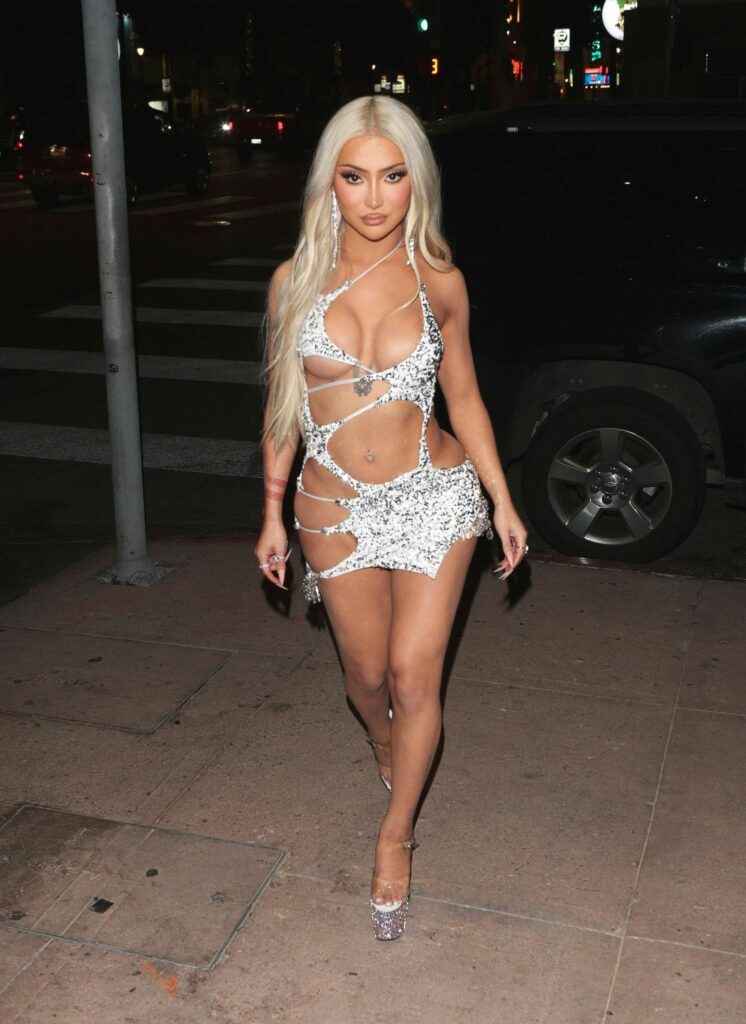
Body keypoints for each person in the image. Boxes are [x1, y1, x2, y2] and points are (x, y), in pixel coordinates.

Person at [255, 95, 528, 941]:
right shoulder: (293, 283)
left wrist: (502, 498)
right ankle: (383, 740)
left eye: (393, 176)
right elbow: (282, 410)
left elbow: (465, 397)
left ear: (417, 182)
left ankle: (396, 833)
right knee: (367, 681)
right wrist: (270, 513)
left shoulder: (439, 279)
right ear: (328, 184)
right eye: (354, 177)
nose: (374, 198)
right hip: (331, 503)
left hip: (434, 495)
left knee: (416, 678)